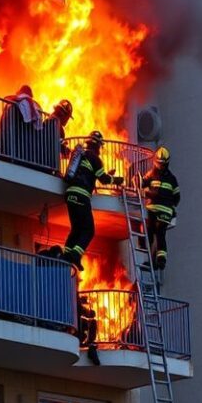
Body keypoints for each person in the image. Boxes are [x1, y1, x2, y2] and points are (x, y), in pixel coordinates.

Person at [62, 130, 123, 271]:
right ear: (98, 146)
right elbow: (104, 179)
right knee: (89, 230)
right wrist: (117, 180)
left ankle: (66, 255)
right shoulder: (95, 159)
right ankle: (75, 255)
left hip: (70, 195)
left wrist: (103, 175)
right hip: (82, 195)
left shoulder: (80, 155)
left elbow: (89, 174)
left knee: (76, 229)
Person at [141, 147, 180, 270]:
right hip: (162, 211)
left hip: (155, 210)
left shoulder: (152, 174)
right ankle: (158, 262)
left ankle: (157, 260)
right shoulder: (172, 179)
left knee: (155, 233)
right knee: (157, 234)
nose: (161, 166)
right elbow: (177, 198)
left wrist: (146, 190)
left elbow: (142, 184)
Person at [78, 295, 100, 366]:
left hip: (86, 338)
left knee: (93, 322)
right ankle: (91, 349)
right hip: (81, 336)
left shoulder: (90, 319)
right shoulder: (82, 316)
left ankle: (91, 348)